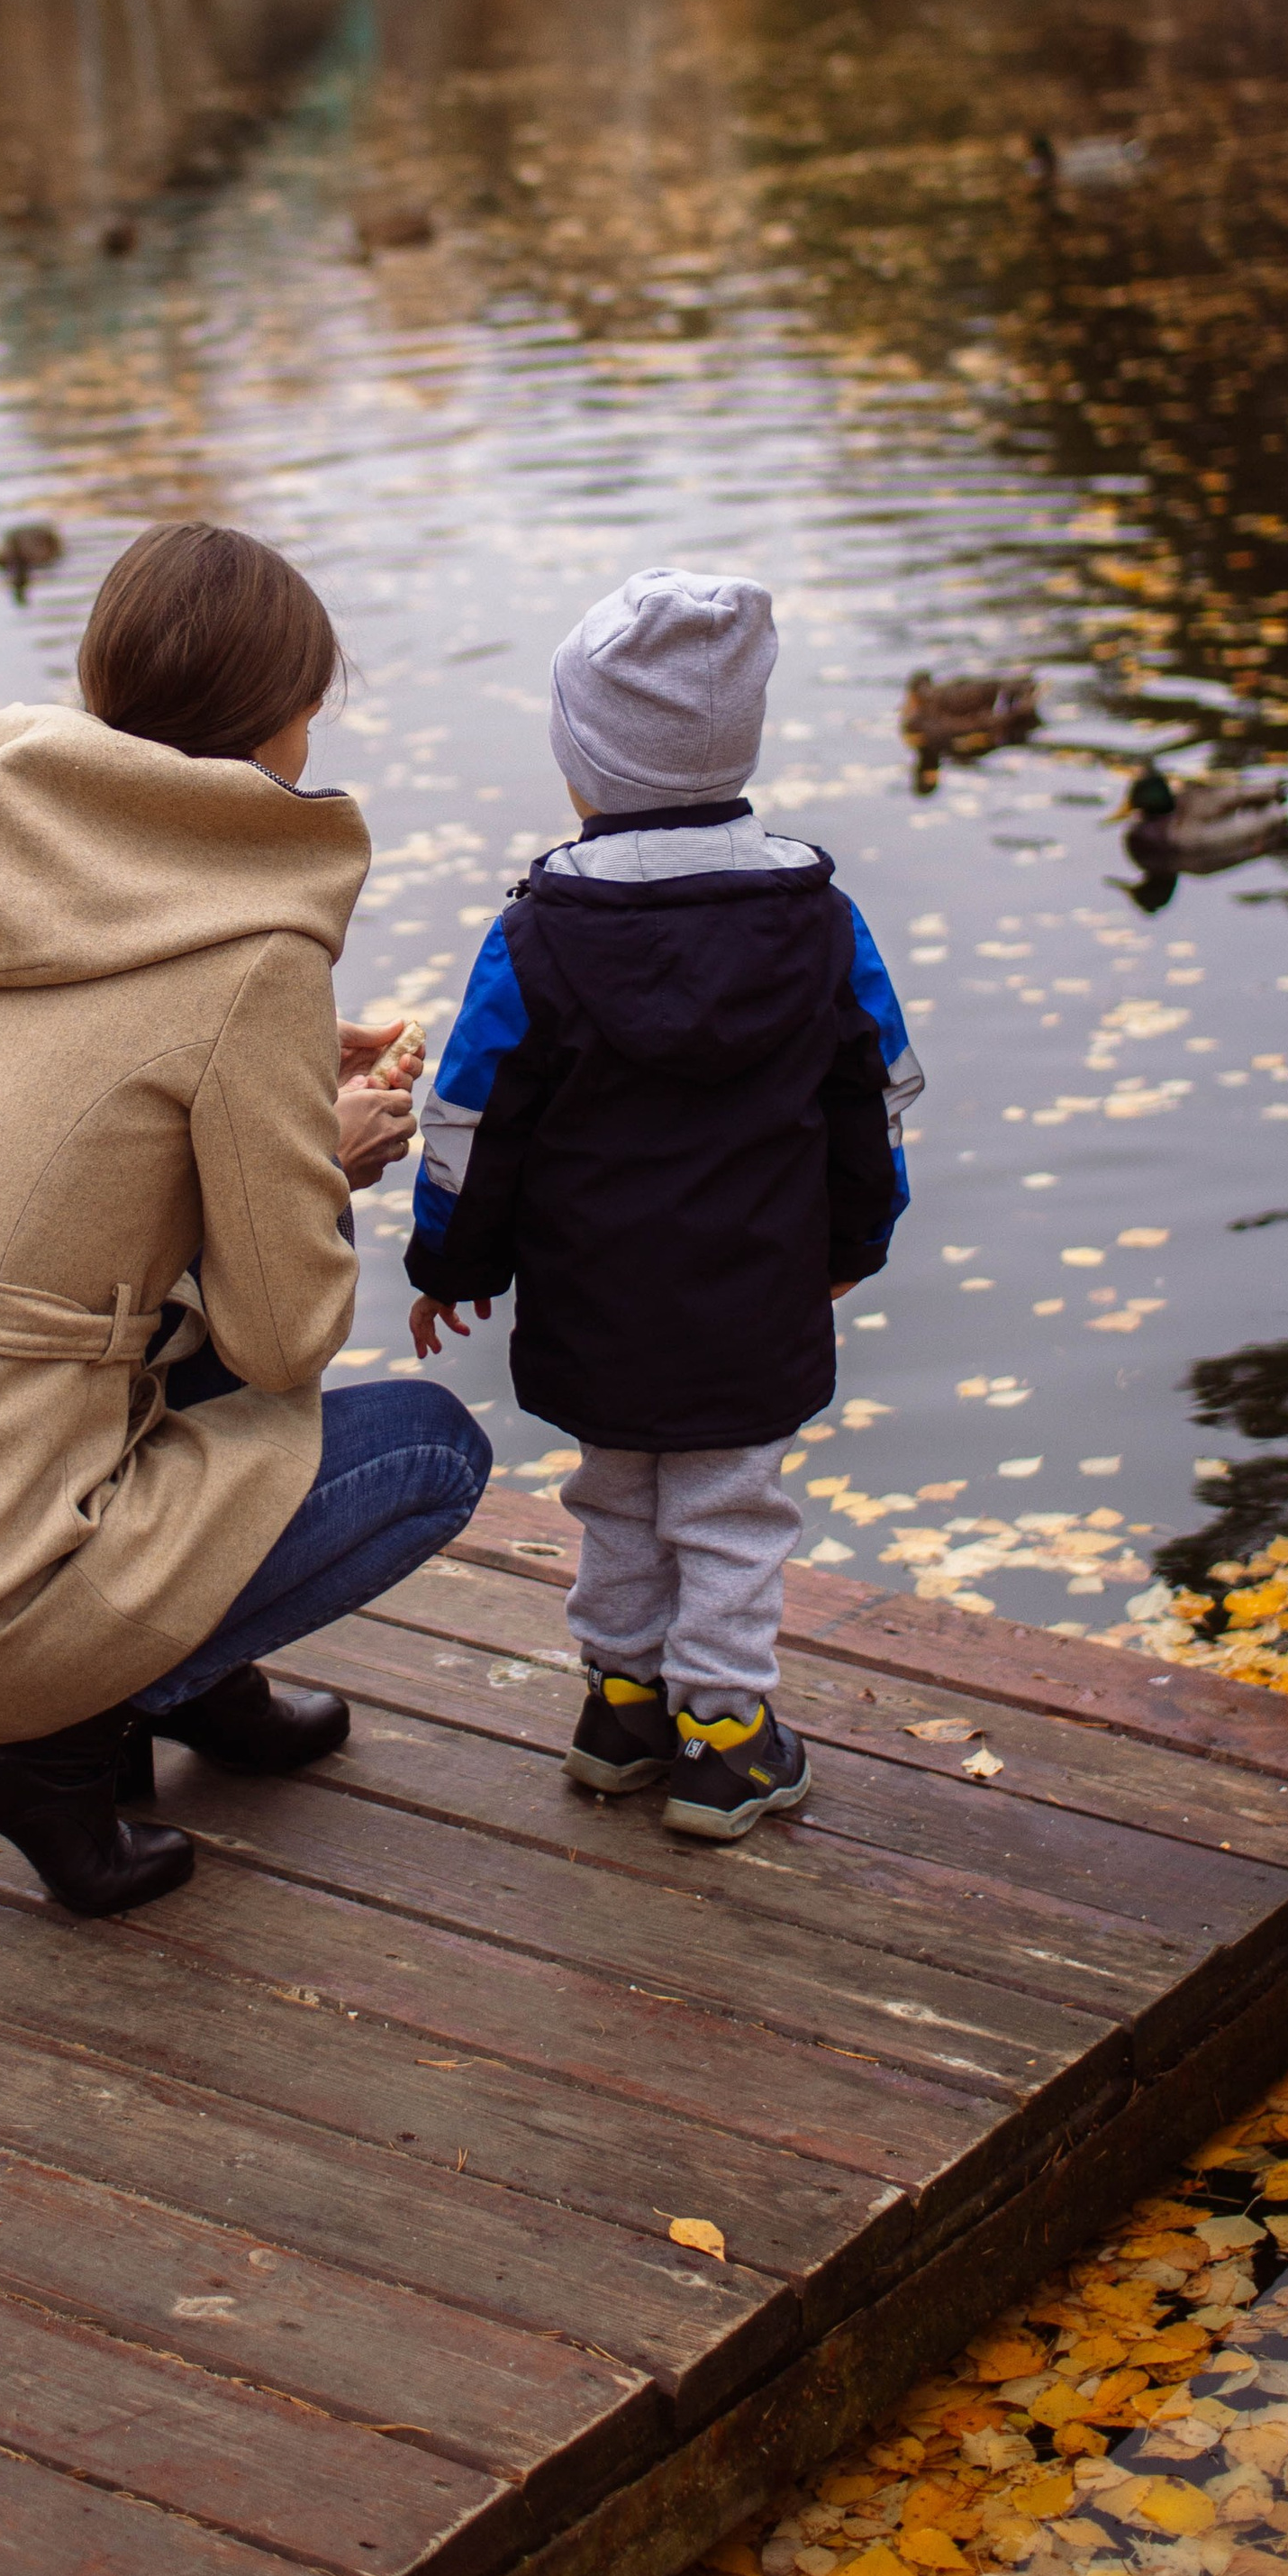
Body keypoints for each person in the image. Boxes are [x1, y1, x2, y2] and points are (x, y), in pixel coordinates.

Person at [0, 523, 491, 1919]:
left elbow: (64, 1130)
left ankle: (183, 1689)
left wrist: (258, 1103)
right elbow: (281, 1338)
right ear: (278, 719)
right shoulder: (251, 953)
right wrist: (315, 1165)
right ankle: (58, 1746)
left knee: (148, 1340)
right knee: (434, 1454)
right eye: (316, 704)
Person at [404, 565, 920, 1840]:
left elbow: (472, 1118)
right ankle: (728, 1736)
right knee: (731, 1506)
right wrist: (856, 1238)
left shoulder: (535, 939)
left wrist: (449, 1261)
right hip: (757, 1293)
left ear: (586, 766)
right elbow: (877, 1092)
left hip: (595, 1300)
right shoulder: (821, 922)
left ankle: (623, 1706)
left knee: (616, 1490)